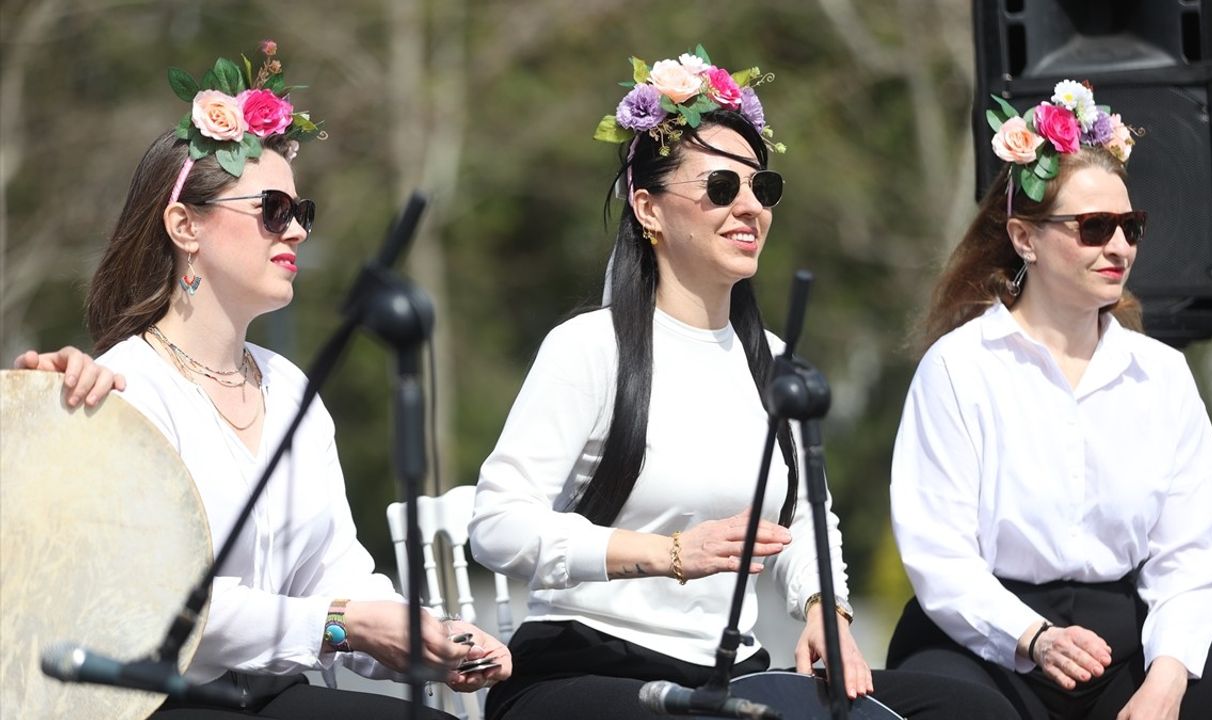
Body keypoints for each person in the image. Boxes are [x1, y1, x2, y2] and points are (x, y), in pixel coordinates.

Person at [467, 47, 1020, 720]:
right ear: (648, 208)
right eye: (721, 189)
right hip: (583, 667)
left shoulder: (774, 360)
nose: (750, 207)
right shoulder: (589, 348)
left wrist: (826, 608)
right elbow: (496, 526)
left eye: (764, 188)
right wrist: (668, 554)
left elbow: (805, 518)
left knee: (967, 711)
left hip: (728, 676)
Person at [15, 41, 510, 719]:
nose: (297, 231)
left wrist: (425, 631)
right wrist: (342, 626)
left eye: (301, 212)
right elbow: (154, 601)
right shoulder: (126, 388)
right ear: (185, 225)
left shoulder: (290, 391)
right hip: (165, 704)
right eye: (273, 210)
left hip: (278, 697)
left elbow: (337, 574)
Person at [885, 80, 1212, 720]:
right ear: (1024, 238)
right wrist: (1033, 637)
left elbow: (1193, 553)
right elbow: (940, 556)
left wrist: (1167, 681)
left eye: (1131, 227)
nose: (1119, 246)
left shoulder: (1162, 374)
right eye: (1094, 228)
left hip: (1121, 649)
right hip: (984, 646)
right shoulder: (958, 368)